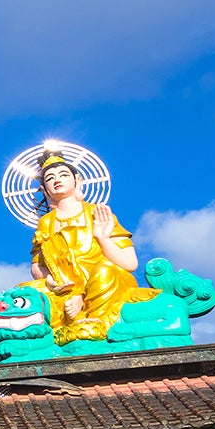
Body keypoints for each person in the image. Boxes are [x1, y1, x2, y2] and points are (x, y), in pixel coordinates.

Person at [27, 144, 158, 344]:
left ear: (77, 180)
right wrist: (50, 281)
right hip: (64, 288)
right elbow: (38, 266)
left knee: (104, 270)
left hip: (103, 284)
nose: (57, 180)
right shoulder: (45, 223)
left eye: (63, 174)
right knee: (22, 294)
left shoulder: (98, 213)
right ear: (45, 190)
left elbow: (130, 264)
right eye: (50, 178)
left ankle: (96, 323)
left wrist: (103, 238)